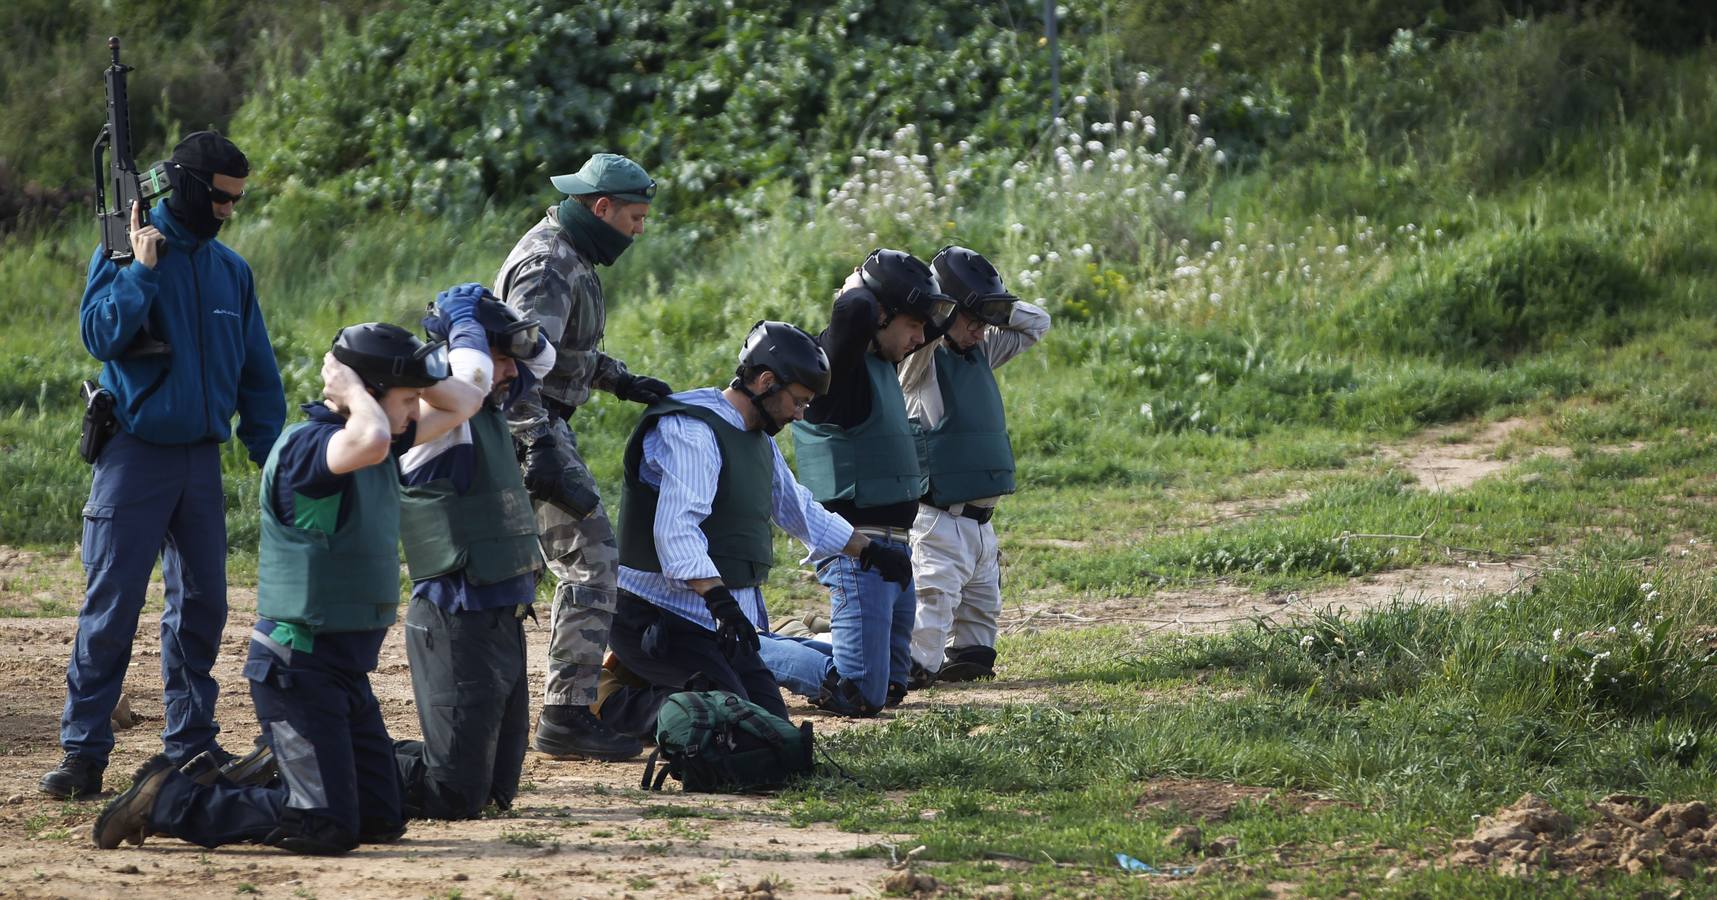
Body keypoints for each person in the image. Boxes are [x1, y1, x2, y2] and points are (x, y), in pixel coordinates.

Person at [92, 306, 485, 855]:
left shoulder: (373, 436)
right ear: (368, 398)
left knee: (378, 819)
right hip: (297, 668)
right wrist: (353, 389)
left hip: (342, 672)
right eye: (403, 400)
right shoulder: (314, 447)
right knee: (323, 827)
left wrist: (406, 378)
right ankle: (169, 800)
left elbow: (466, 402)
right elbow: (370, 437)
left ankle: (279, 771)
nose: (412, 413)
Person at [47, 131, 286, 799]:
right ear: (189, 187)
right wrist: (139, 273)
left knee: (204, 604)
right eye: (221, 199)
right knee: (112, 606)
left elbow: (258, 376)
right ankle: (83, 753)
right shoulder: (125, 253)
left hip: (199, 463)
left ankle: (190, 745)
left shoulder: (231, 272)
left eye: (238, 201)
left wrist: (276, 461)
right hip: (134, 456)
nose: (229, 212)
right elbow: (100, 334)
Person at [594, 322, 913, 737]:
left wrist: (869, 551)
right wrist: (719, 600)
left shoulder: (758, 438)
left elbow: (797, 508)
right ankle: (605, 698)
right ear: (766, 382)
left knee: (770, 726)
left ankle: (651, 679)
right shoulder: (692, 430)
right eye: (798, 401)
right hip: (659, 615)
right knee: (729, 725)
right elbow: (676, 530)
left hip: (719, 620)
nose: (800, 414)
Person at [496, 152, 673, 761]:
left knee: (537, 569)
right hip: (530, 427)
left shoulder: (572, 255)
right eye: (635, 217)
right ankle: (568, 715)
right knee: (590, 561)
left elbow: (559, 351)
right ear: (602, 208)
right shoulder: (549, 263)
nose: (639, 230)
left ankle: (551, 706)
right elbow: (516, 363)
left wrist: (622, 380)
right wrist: (536, 443)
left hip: (540, 425)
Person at [392, 291, 556, 820]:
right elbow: (476, 375)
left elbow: (543, 359)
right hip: (454, 619)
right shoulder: (439, 419)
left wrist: (495, 326)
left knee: (495, 791)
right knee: (454, 793)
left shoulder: (486, 406)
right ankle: (316, 762)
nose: (511, 371)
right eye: (498, 355)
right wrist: (464, 322)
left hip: (499, 623)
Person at [789, 249, 953, 714]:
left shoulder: (882, 359)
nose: (921, 339)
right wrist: (863, 287)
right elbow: (853, 312)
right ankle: (747, 647)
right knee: (859, 693)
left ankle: (828, 642)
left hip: (895, 550)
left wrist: (905, 305)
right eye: (912, 325)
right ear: (879, 316)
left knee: (892, 686)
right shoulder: (835, 371)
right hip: (857, 550)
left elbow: (929, 320)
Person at [900, 247, 1051, 684]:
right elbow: (922, 332)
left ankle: (963, 654)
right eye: (972, 320)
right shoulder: (919, 362)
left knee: (976, 656)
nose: (981, 331)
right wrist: (941, 304)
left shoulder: (981, 351)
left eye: (986, 322)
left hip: (983, 527)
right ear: (943, 314)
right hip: (938, 524)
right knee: (918, 658)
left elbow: (1037, 321)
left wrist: (989, 303)